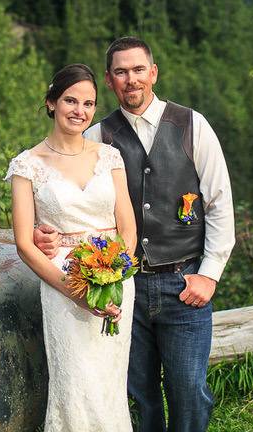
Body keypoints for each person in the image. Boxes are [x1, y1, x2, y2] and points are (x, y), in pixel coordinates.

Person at [34, 37, 235, 432]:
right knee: (137, 394)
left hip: (184, 281)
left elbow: (220, 203)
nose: (131, 80)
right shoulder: (95, 137)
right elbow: (73, 202)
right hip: (123, 288)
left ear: (153, 73)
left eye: (138, 70)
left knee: (189, 390)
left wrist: (209, 273)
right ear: (109, 81)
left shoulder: (193, 126)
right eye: (121, 72)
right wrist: (48, 235)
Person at [6, 63, 138, 431]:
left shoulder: (109, 157)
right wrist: (77, 292)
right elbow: (23, 243)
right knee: (75, 384)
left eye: (89, 103)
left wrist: (116, 271)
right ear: (51, 102)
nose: (80, 110)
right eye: (70, 100)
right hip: (64, 284)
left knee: (109, 385)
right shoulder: (26, 165)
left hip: (114, 281)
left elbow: (127, 225)